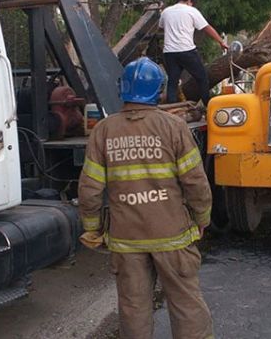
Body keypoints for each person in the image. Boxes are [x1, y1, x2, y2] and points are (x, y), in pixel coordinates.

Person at [78, 57, 214, 339]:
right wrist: (202, 218)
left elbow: (89, 189)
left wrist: (92, 230)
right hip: (172, 236)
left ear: (123, 88)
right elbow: (195, 182)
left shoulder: (103, 131)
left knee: (133, 308)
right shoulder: (174, 127)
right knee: (186, 304)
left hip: (127, 240)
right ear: (158, 90)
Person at [159, 0, 229, 106]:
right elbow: (206, 28)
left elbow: (161, 27)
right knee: (202, 78)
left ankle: (171, 107)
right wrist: (220, 42)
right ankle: (207, 104)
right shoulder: (191, 11)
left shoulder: (166, 12)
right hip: (187, 50)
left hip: (170, 52)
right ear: (189, 1)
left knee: (173, 81)